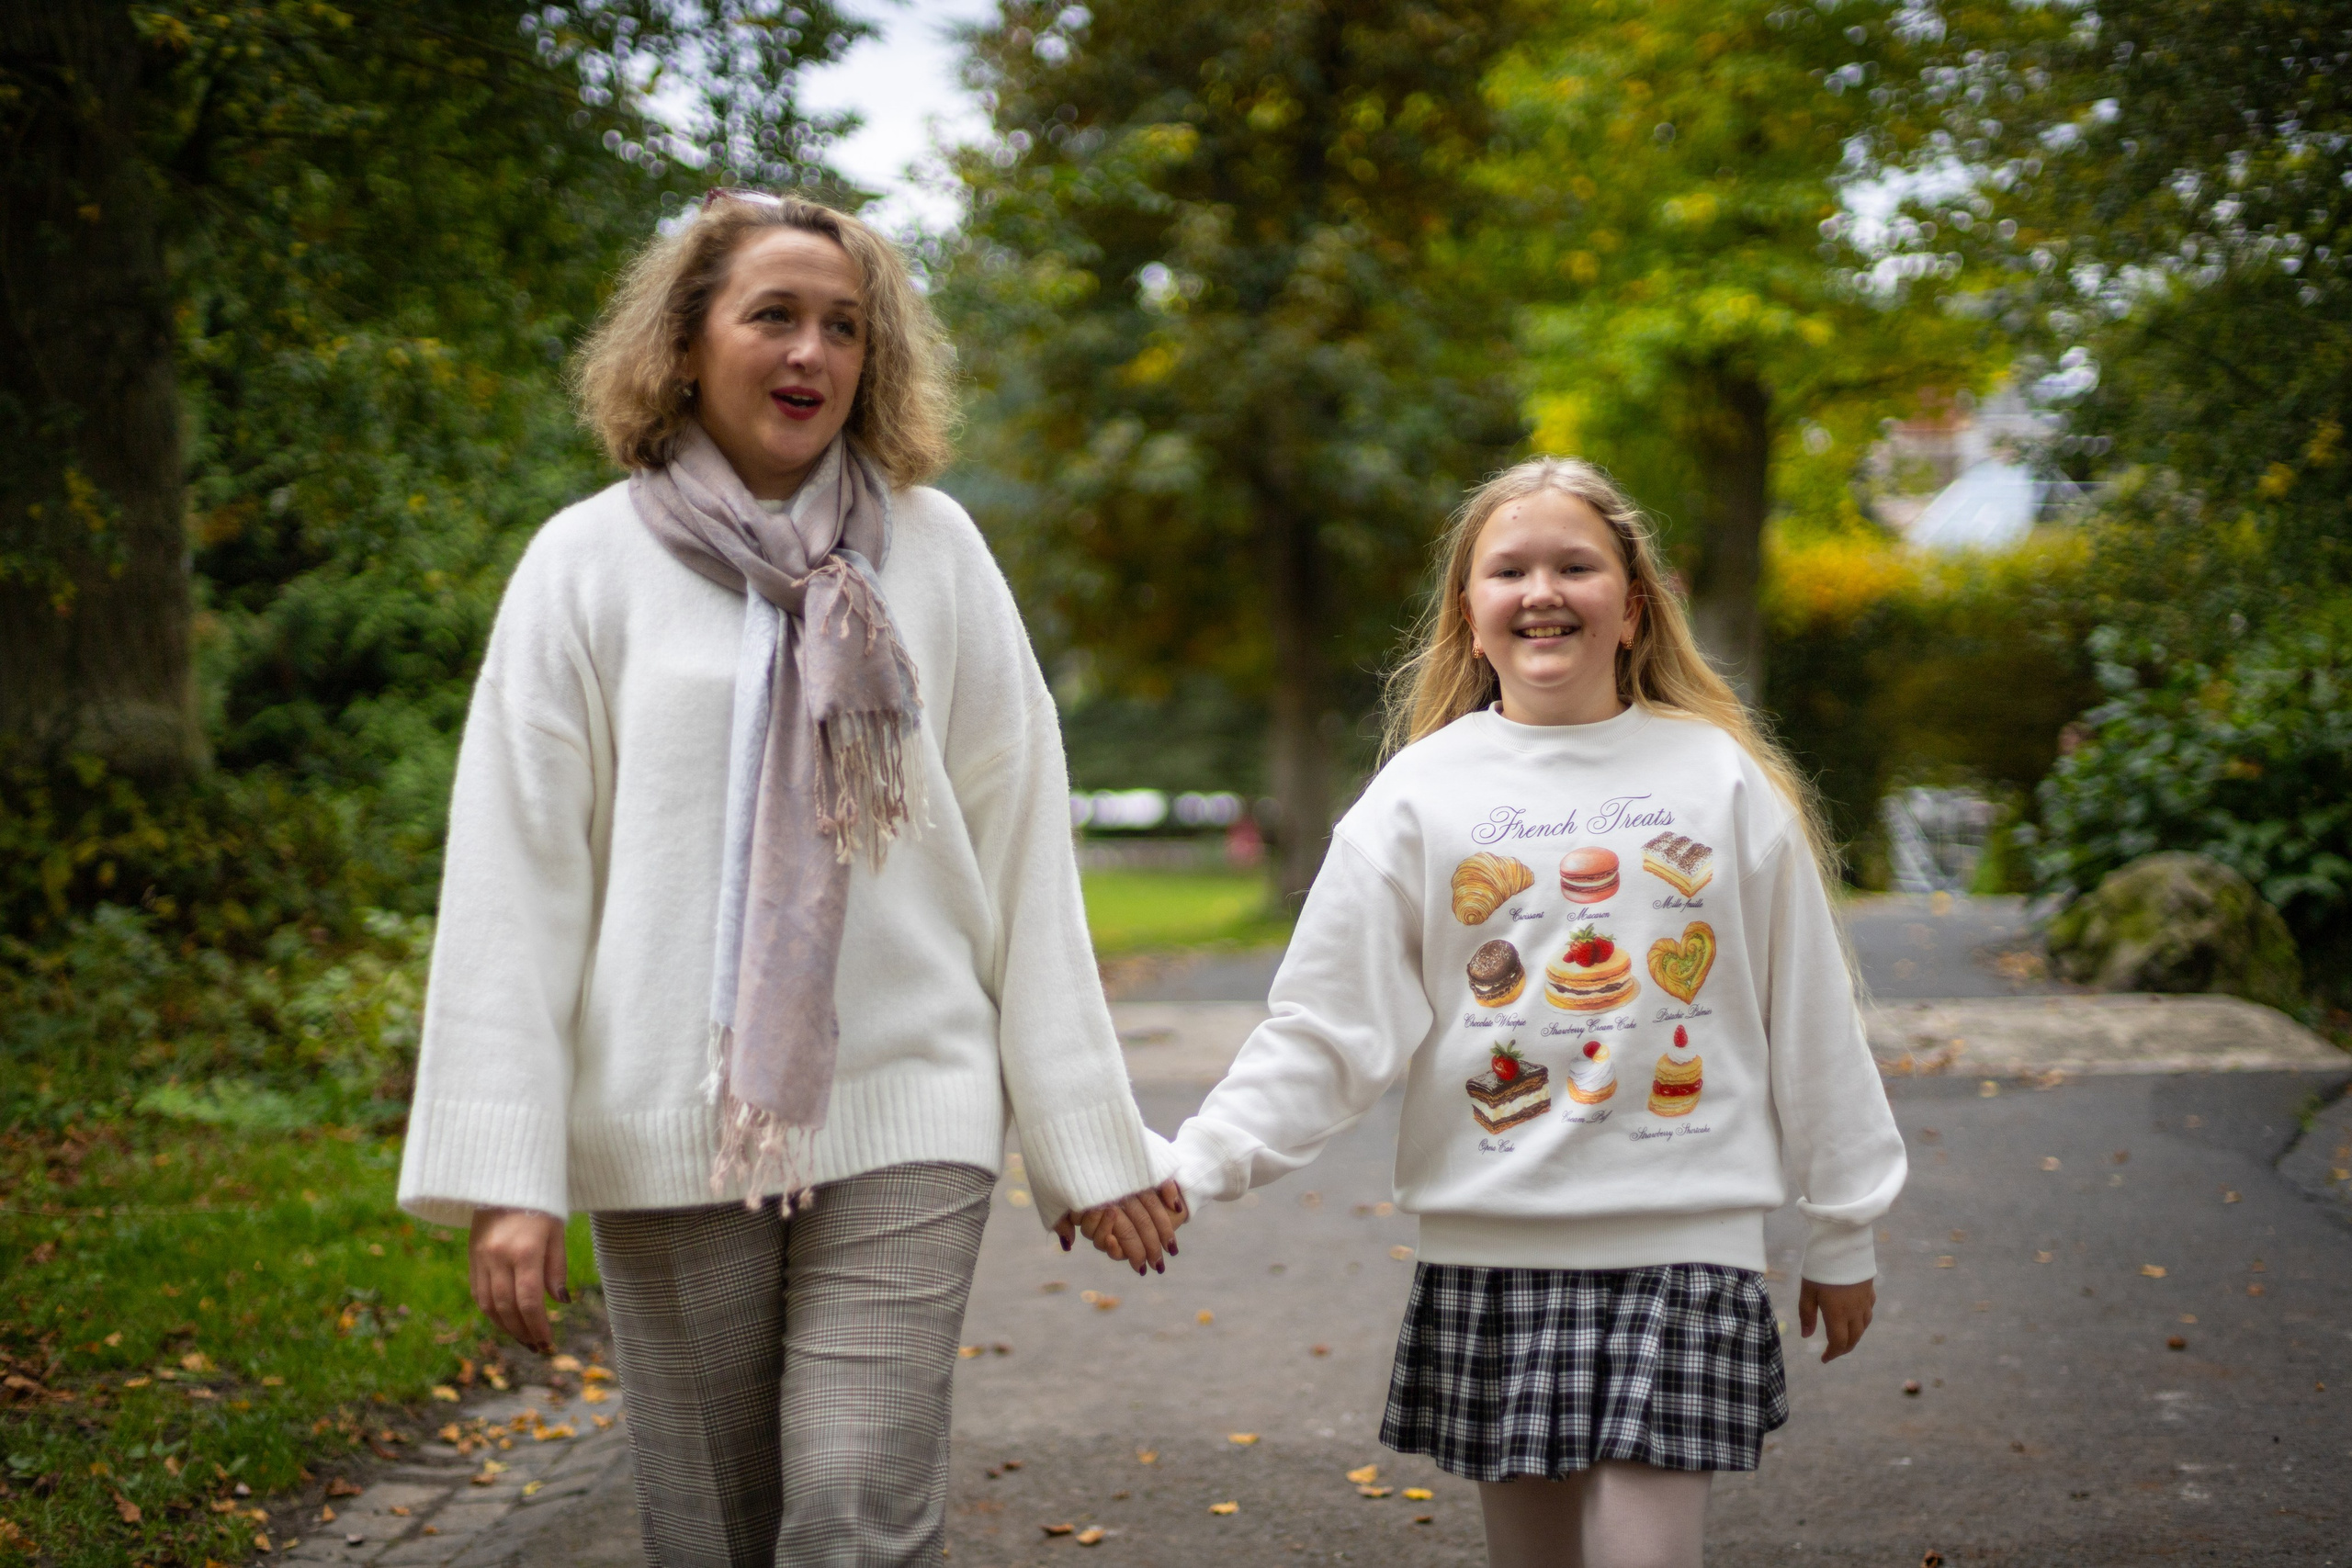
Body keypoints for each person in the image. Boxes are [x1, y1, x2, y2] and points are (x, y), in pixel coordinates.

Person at [395, 189, 1182, 1568]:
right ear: (687, 343)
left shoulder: (936, 553)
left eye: (845, 326)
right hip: (668, 1114)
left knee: (854, 1505)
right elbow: (517, 880)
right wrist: (507, 1168)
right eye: (774, 315)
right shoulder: (583, 566)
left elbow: (1018, 843)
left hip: (912, 1098)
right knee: (714, 1525)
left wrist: (1082, 1133)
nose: (812, 350)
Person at [1162, 457, 1906, 1568]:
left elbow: (1808, 1011)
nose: (1542, 590)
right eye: (1508, 570)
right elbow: (1327, 1027)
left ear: (1633, 605)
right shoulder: (1419, 794)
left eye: (1576, 565)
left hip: (1685, 1241)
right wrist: (1196, 1164)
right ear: (1470, 615)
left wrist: (1845, 1225)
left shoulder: (1721, 779)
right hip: (1491, 1253)